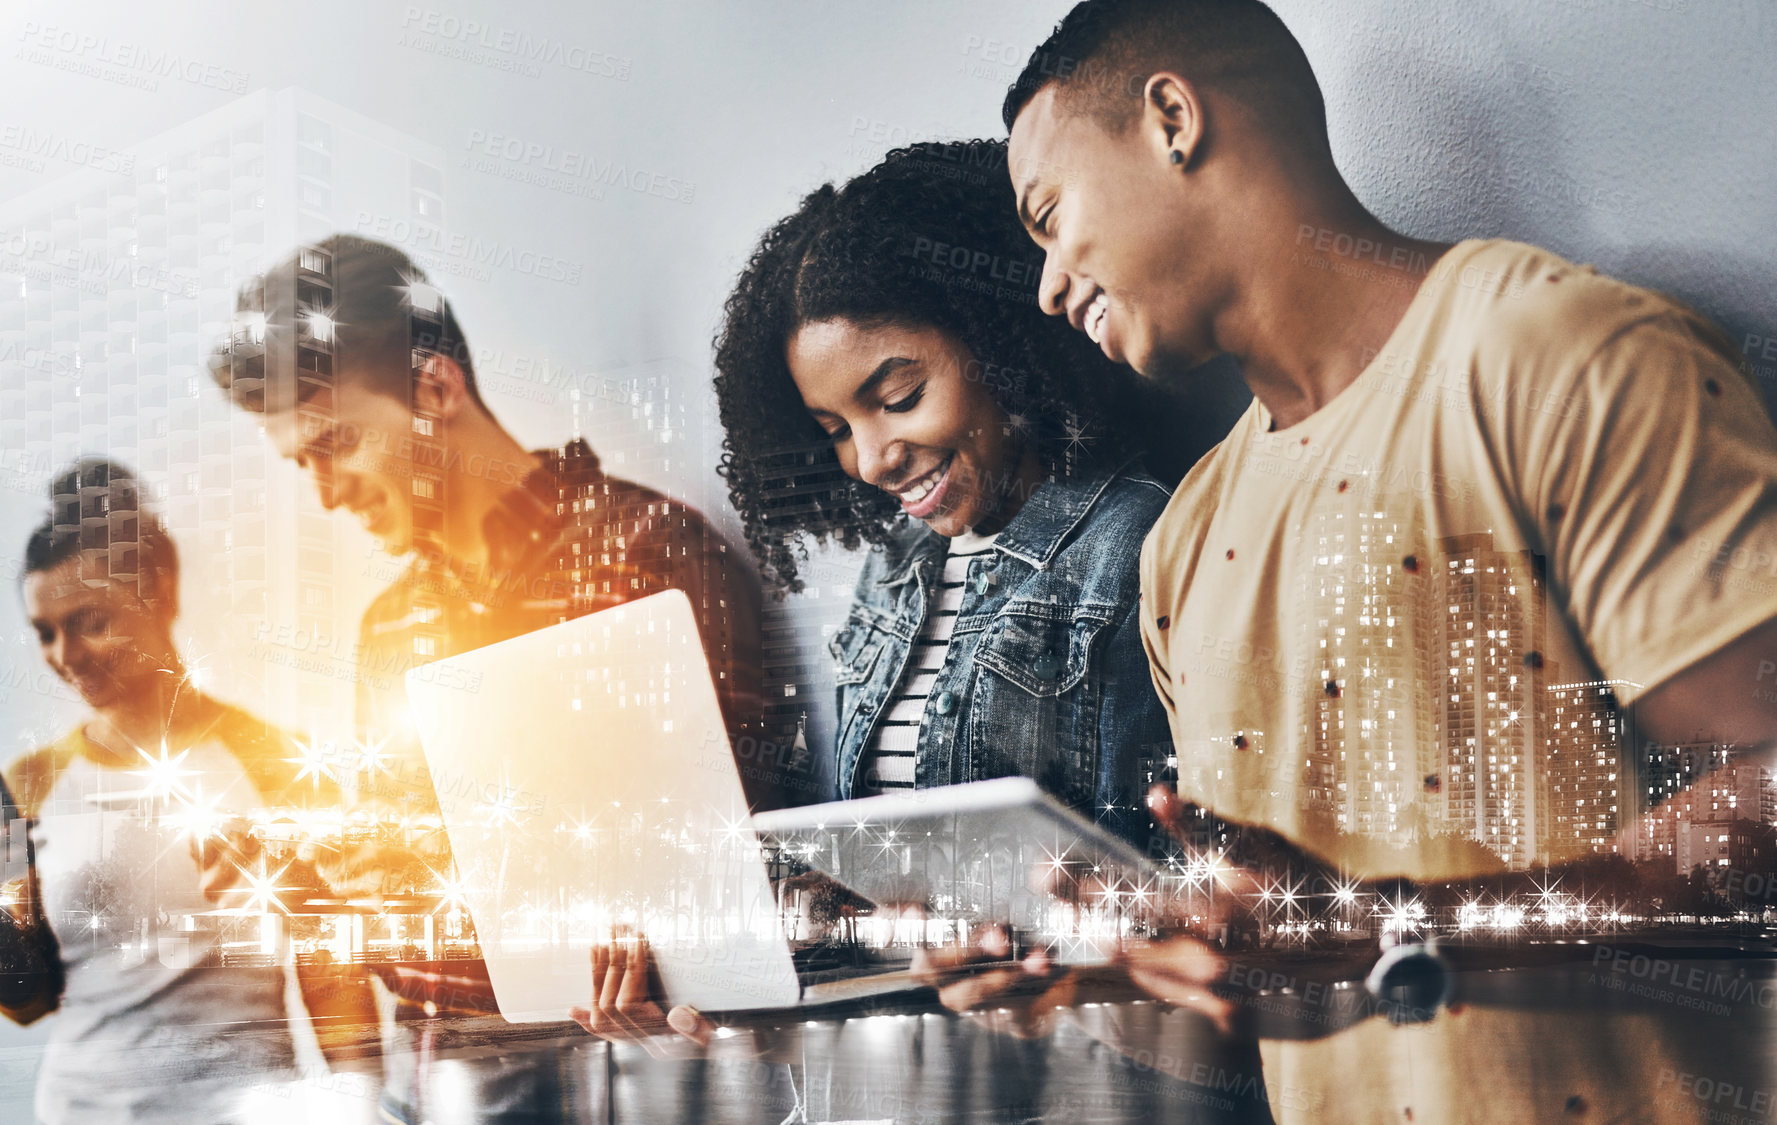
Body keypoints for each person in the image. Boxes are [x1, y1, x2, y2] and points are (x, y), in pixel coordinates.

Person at [963, 0, 1777, 1121]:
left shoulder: (1561, 354)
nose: (1049, 284)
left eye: (1048, 216)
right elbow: (1264, 1020)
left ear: (1170, 119)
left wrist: (1385, 932)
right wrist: (1101, 985)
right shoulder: (1183, 544)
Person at [578, 140, 1267, 1113]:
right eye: (834, 429)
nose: (867, 457)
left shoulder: (1136, 543)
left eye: (896, 396)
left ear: (998, 345)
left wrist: (1064, 963)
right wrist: (722, 997)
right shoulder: (895, 575)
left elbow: (1196, 926)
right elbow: (893, 929)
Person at [206, 234, 773, 1124]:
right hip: (450, 1066)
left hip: (643, 1063)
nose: (325, 493)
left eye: (335, 442)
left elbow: (746, 854)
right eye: (299, 462)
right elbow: (401, 889)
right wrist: (326, 876)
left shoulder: (648, 553)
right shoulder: (388, 627)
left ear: (435, 385)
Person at [1, 459, 352, 1124]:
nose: (65, 655)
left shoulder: (277, 759)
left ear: (157, 587)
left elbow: (335, 972)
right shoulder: (26, 783)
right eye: (45, 632)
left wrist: (360, 1096)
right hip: (78, 1107)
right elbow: (26, 998)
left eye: (89, 620)